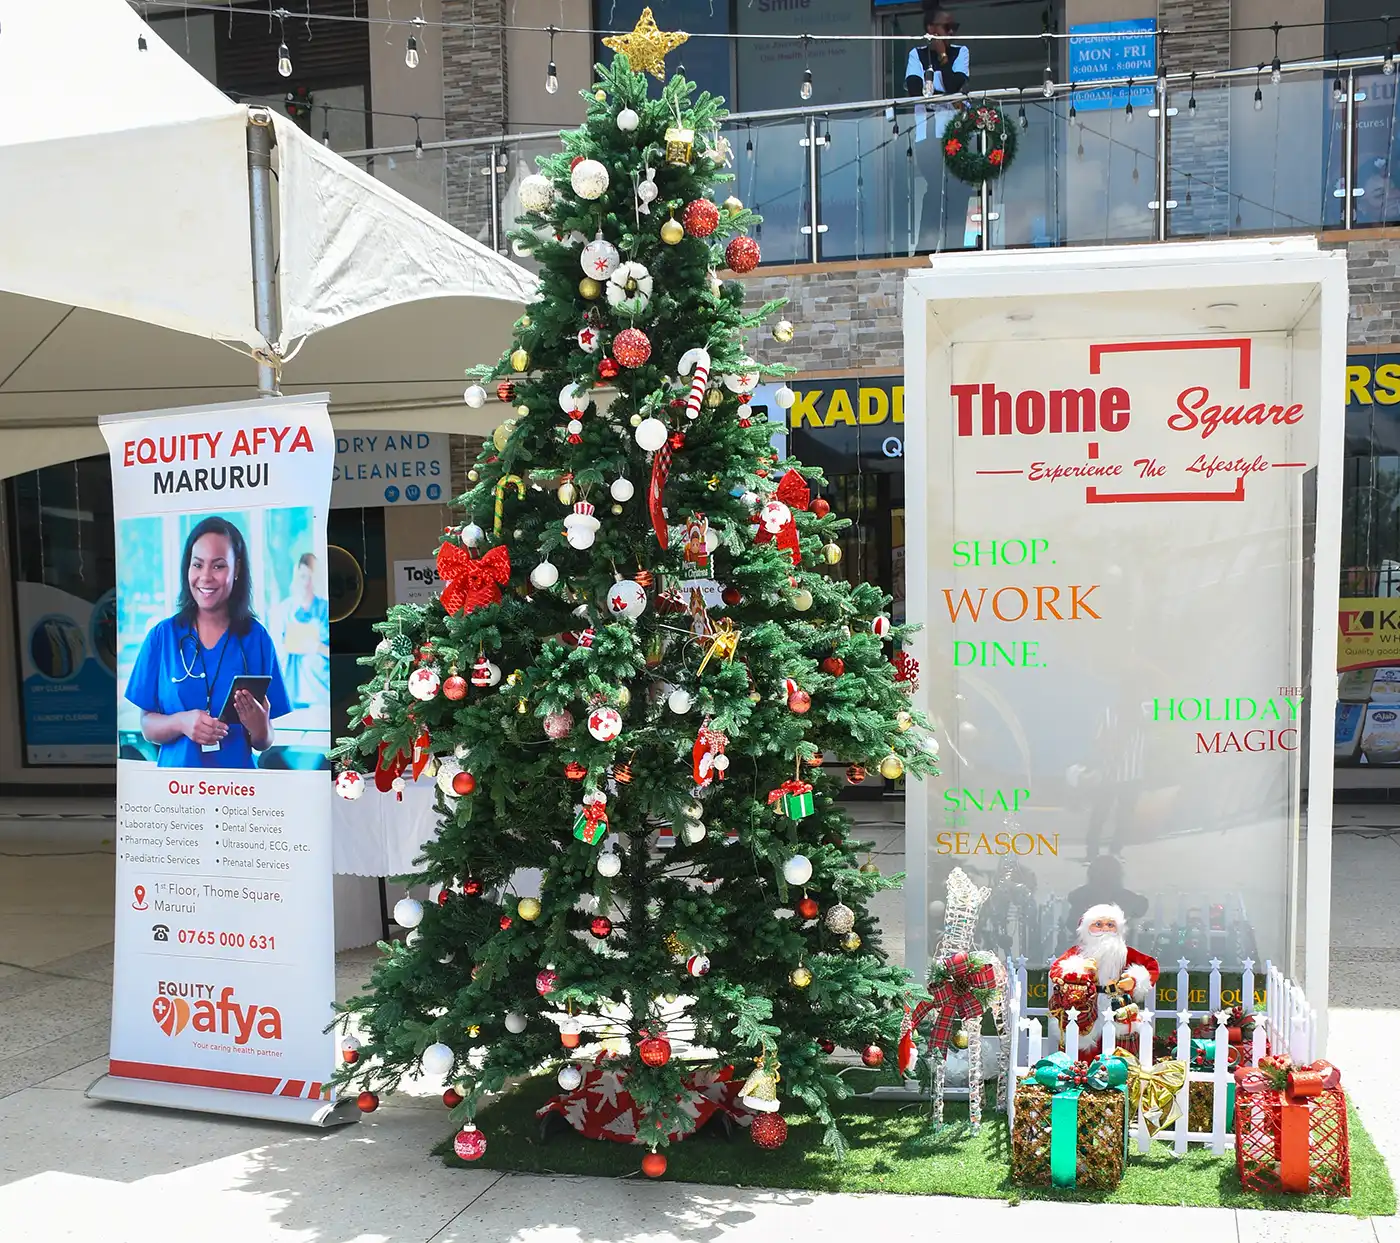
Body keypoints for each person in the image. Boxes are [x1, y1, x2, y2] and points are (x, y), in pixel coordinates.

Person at [125, 516, 291, 768]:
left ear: (237, 570)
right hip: (177, 786)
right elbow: (147, 727)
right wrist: (181, 722)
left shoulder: (256, 639)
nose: (205, 576)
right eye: (197, 564)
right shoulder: (162, 637)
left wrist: (259, 727)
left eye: (218, 566)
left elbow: (264, 741)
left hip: (239, 787)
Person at [1049, 903, 1160, 1060]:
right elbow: (1057, 970)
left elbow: (1151, 967)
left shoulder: (1125, 953)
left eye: (1110, 925)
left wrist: (1134, 980)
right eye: (1098, 924)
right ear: (1086, 928)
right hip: (1085, 1007)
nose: (1105, 929)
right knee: (1081, 1052)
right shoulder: (1078, 953)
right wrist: (1079, 970)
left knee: (1118, 1052)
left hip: (1117, 1005)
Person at [904, 4, 972, 251]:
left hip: (956, 133)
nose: (952, 32)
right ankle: (925, 248)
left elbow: (956, 84)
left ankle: (955, 248)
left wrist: (943, 56)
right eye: (947, 27)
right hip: (928, 136)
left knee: (960, 187)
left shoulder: (960, 52)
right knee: (936, 188)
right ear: (931, 29)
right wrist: (946, 93)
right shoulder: (917, 54)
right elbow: (914, 89)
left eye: (955, 27)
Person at [270, 552, 331, 708]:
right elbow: (274, 652)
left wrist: (318, 647)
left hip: (322, 694)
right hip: (292, 695)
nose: (306, 583)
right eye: (303, 576)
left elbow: (339, 653)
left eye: (311, 577)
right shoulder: (284, 610)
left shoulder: (326, 610)